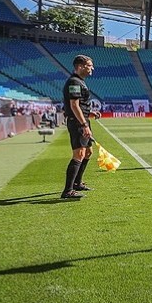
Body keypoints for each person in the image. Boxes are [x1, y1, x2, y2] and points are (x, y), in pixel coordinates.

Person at [62, 55, 100, 199]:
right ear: (80, 66)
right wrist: (84, 124)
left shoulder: (79, 82)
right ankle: (68, 190)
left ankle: (77, 183)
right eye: (90, 65)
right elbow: (73, 105)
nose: (92, 68)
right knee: (79, 154)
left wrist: (89, 113)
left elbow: (78, 105)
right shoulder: (74, 82)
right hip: (78, 123)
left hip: (83, 120)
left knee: (88, 152)